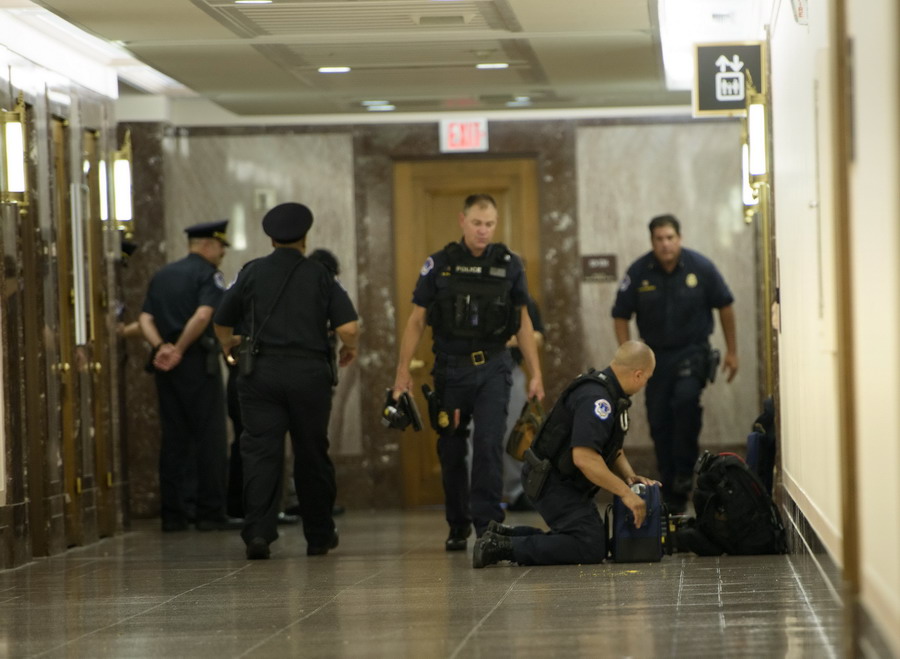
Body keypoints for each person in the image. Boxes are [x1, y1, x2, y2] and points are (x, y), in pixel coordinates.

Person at [392, 193, 544, 551]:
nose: (483, 231)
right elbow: (416, 320)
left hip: (493, 368)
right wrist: (402, 374)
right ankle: (457, 523)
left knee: (489, 445)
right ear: (462, 221)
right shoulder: (440, 264)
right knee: (451, 449)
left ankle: (488, 525)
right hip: (450, 371)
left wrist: (536, 372)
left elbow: (523, 322)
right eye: (477, 223)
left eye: (489, 224)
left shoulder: (509, 264)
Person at [213, 202, 359, 560]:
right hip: (309, 376)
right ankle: (319, 535)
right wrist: (348, 349)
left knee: (261, 452)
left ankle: (259, 534)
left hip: (260, 375)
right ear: (305, 238)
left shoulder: (250, 272)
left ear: (272, 238)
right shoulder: (322, 274)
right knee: (311, 453)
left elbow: (221, 319)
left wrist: (228, 345)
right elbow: (349, 327)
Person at [473, 340, 657, 568]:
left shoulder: (610, 392)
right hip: (549, 481)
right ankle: (502, 548)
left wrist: (629, 477)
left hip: (560, 479)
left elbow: (611, 448)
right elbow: (585, 458)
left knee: (587, 537)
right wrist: (625, 494)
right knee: (589, 545)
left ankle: (505, 535)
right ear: (638, 375)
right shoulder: (597, 400)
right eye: (647, 378)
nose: (644, 384)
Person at [611, 214, 738, 513]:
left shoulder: (701, 267)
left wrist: (733, 351)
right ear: (652, 241)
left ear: (679, 238)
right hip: (654, 359)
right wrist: (627, 355)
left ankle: (684, 472)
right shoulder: (639, 272)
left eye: (670, 238)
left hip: (692, 352)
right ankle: (671, 485)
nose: (666, 244)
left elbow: (725, 304)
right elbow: (619, 314)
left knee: (685, 401)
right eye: (659, 239)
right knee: (659, 420)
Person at [139, 220, 235, 532]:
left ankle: (174, 514)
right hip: (197, 363)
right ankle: (209, 512)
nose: (222, 253)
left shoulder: (163, 275)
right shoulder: (209, 275)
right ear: (207, 244)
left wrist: (161, 348)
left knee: (174, 437)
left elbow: (145, 318)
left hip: (166, 367)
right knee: (210, 437)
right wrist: (179, 349)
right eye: (221, 246)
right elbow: (204, 314)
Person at [499, 296, 544, 510]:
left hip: (510, 369)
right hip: (472, 371)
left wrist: (503, 339)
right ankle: (475, 495)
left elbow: (537, 336)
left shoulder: (523, 300)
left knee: (515, 434)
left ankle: (517, 493)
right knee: (472, 437)